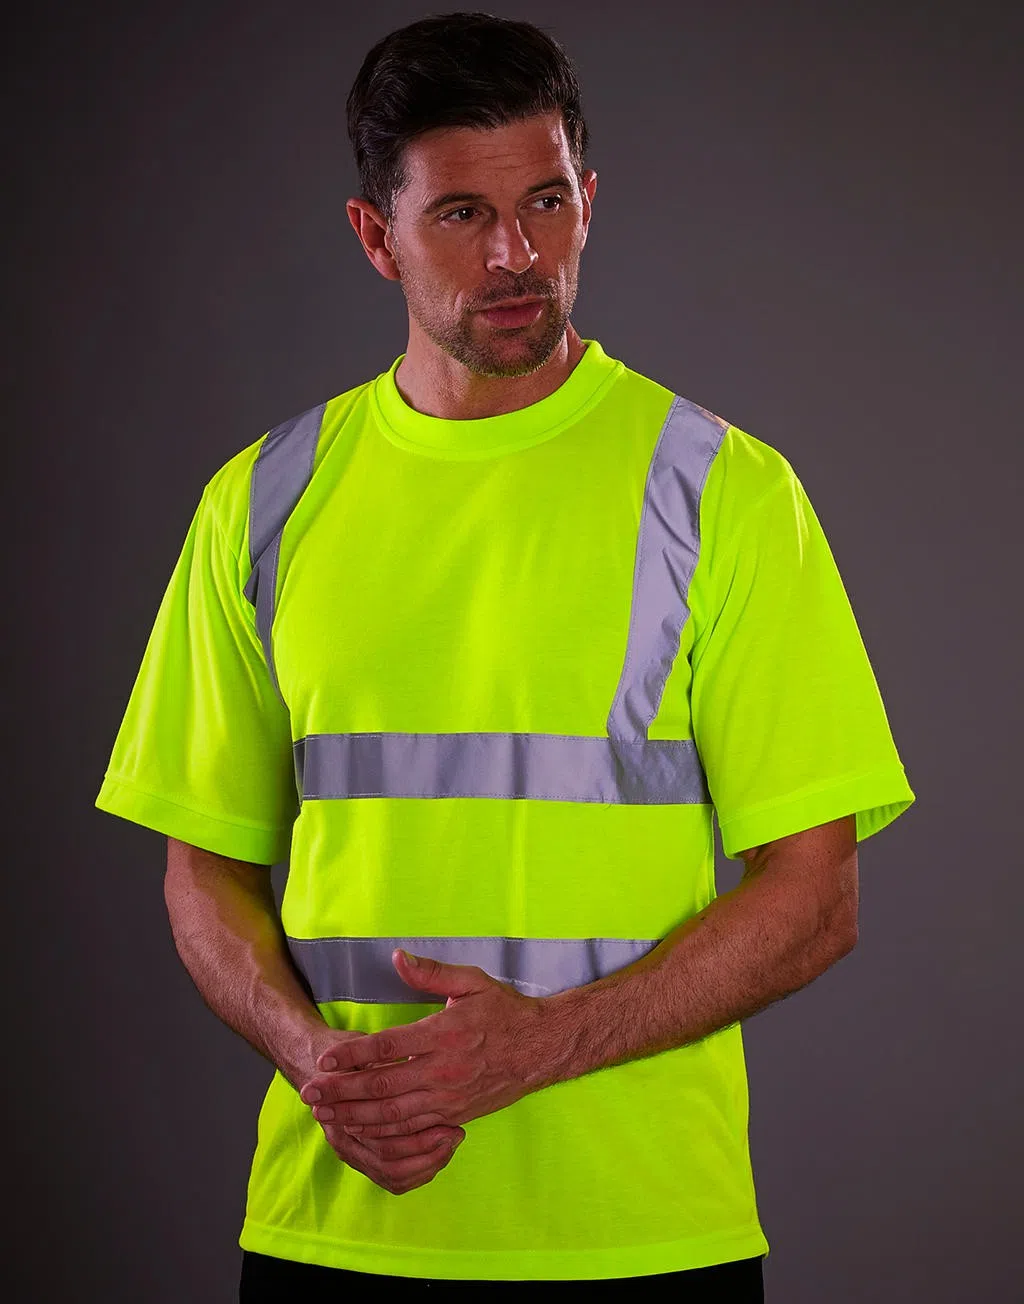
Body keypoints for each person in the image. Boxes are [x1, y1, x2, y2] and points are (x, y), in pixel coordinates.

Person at [94, 11, 915, 1300]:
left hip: (644, 1236)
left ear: (591, 199)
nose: (516, 254)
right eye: (461, 215)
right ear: (377, 237)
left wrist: (544, 1046)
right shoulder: (260, 503)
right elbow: (202, 868)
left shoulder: (725, 493)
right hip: (337, 1227)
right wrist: (314, 1061)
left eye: (546, 202)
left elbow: (817, 898)